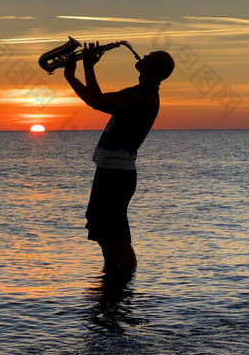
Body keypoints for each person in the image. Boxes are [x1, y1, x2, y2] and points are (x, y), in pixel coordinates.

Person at [63, 41, 174, 271]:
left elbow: (99, 101)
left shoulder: (145, 99)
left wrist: (88, 65)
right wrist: (71, 77)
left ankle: (126, 286)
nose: (143, 55)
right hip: (109, 171)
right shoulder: (137, 92)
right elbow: (95, 100)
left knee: (116, 236)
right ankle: (112, 284)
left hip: (118, 175)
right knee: (103, 233)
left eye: (150, 57)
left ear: (153, 70)